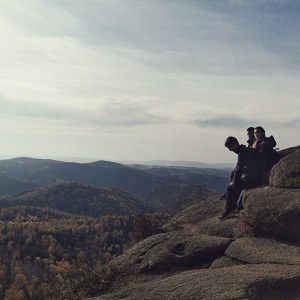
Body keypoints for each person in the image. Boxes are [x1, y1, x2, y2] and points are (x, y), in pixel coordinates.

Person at [218, 136, 265, 220]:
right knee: (233, 183)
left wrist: (234, 182)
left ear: (235, 144)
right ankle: (234, 204)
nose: (229, 149)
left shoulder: (242, 152)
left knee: (230, 187)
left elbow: (239, 168)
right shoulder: (247, 150)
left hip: (254, 179)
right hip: (257, 176)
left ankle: (229, 210)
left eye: (230, 147)